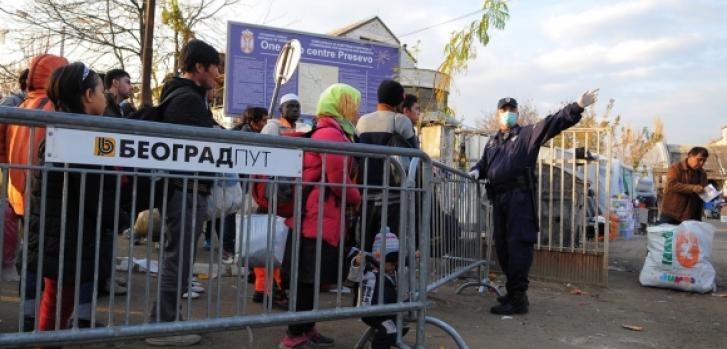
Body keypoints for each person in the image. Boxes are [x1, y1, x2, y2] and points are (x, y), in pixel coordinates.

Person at [468, 90, 600, 316]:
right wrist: (475, 171)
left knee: (518, 246)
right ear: (497, 114)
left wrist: (577, 106)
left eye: (511, 110)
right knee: (503, 248)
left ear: (517, 113)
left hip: (519, 199)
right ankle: (511, 292)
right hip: (499, 199)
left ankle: (519, 299)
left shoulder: (527, 134)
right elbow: (484, 163)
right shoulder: (492, 142)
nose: (508, 114)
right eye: (504, 110)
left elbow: (553, 123)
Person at [29, 62, 112, 334]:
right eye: (102, 91)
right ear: (88, 96)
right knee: (57, 304)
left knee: (58, 302)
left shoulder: (63, 130)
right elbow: (90, 192)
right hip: (65, 235)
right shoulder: (77, 138)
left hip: (62, 233)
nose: (105, 97)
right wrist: (118, 216)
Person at [146, 39, 220, 347]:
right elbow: (211, 138)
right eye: (216, 67)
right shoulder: (186, 100)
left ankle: (167, 319)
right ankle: (162, 326)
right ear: (199, 67)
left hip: (188, 189)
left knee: (180, 256)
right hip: (184, 189)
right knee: (178, 257)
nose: (218, 74)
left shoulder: (190, 97)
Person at [279, 83, 362, 349]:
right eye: (353, 105)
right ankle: (294, 336)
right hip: (315, 217)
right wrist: (359, 199)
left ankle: (307, 328)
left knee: (311, 278)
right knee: (306, 278)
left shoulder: (329, 131)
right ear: (341, 106)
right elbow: (339, 180)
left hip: (316, 216)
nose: (357, 112)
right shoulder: (331, 135)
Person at [0, 54, 68, 329]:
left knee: (30, 255)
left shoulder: (22, 106)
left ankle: (28, 313)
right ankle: (37, 319)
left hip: (20, 194)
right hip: (41, 198)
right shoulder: (53, 109)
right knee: (43, 259)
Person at [355, 79, 417, 251]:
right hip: (393, 195)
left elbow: (355, 154)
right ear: (399, 100)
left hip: (367, 192)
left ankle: (367, 277)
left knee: (366, 245)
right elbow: (416, 155)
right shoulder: (401, 121)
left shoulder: (362, 122)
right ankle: (389, 277)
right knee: (392, 247)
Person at [347, 232, 407, 349]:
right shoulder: (369, 269)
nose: (393, 267)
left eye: (395, 264)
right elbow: (353, 277)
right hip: (372, 312)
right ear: (380, 257)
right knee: (390, 331)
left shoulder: (392, 272)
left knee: (400, 328)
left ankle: (379, 339)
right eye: (391, 263)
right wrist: (357, 264)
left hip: (388, 311)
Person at [659, 147, 709, 224]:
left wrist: (709, 193)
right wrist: (693, 188)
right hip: (671, 214)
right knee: (667, 236)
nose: (702, 163)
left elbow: (704, 191)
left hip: (692, 216)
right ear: (690, 156)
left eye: (704, 161)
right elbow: (671, 185)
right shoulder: (675, 168)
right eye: (699, 159)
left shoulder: (702, 173)